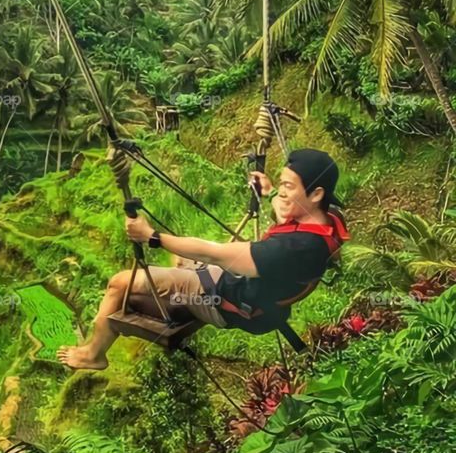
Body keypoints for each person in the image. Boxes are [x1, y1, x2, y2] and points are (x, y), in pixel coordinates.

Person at [57, 147, 349, 370]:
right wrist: (271, 191)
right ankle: (178, 297)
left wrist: (151, 237)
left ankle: (93, 355)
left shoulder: (289, 250)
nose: (283, 193)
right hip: (254, 296)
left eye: (289, 186)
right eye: (282, 184)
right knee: (179, 254)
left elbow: (214, 253)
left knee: (119, 283)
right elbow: (286, 214)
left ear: (315, 194)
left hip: (227, 302)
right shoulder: (328, 219)